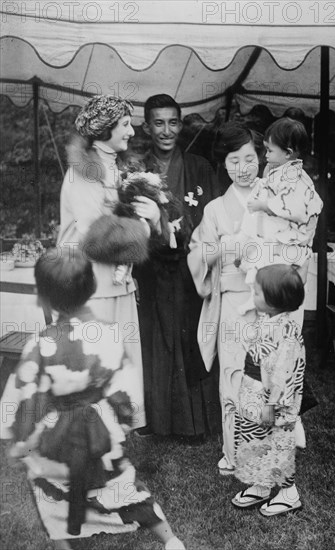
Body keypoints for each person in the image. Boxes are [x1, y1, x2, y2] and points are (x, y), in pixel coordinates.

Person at [8, 249, 186, 549]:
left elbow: (27, 393)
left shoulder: (40, 344)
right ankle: (171, 542)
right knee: (122, 486)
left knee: (50, 495)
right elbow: (125, 384)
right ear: (91, 287)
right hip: (101, 432)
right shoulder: (109, 334)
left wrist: (20, 439)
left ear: (45, 296)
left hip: (57, 440)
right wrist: (124, 422)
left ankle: (66, 540)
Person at [56, 95, 161, 429]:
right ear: (105, 130)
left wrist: (153, 218)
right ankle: (88, 448)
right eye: (125, 124)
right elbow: (96, 239)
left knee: (118, 369)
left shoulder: (117, 170)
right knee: (95, 369)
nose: (132, 131)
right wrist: (142, 228)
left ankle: (110, 445)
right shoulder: (84, 174)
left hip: (118, 286)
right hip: (91, 289)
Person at [133, 94, 221, 437]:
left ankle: (195, 423)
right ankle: (158, 420)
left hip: (190, 268)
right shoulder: (137, 170)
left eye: (172, 122)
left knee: (190, 338)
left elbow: (212, 219)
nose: (166, 130)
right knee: (156, 341)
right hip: (152, 269)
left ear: (181, 125)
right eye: (158, 122)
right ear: (147, 126)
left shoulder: (200, 167)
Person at [188, 122, 262, 474]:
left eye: (250, 158)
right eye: (235, 160)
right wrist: (222, 248)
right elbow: (197, 252)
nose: (243, 168)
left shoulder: (273, 200)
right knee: (233, 373)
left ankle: (266, 450)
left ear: (261, 158)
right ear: (225, 164)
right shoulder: (215, 208)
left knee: (268, 375)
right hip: (232, 301)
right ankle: (234, 451)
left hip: (269, 301)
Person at [231, 264, 305, 518]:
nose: (253, 295)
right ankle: (261, 484)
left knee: (278, 443)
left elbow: (283, 375)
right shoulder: (268, 319)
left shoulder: (286, 332)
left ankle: (289, 492)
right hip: (254, 393)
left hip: (273, 401)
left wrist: (272, 405)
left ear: (275, 301)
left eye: (258, 293)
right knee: (254, 439)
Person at [237, 116, 323, 317]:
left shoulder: (297, 177)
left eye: (269, 150)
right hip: (275, 237)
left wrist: (264, 205)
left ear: (288, 153)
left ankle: (267, 304)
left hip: (289, 241)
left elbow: (292, 207)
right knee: (262, 267)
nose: (265, 155)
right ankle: (256, 298)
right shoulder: (279, 170)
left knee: (278, 279)